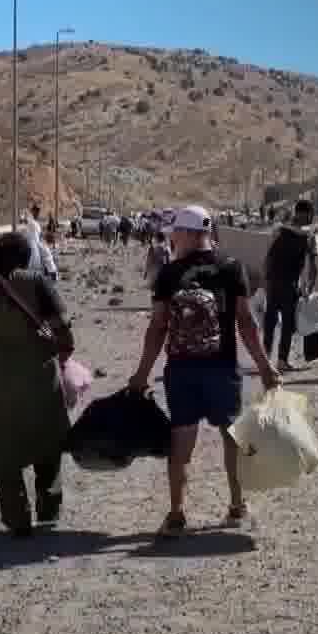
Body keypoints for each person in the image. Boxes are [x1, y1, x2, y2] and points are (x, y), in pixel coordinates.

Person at [129, 204, 279, 537]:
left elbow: (157, 327)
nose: (174, 240)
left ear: (189, 234)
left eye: (176, 234)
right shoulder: (231, 268)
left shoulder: (169, 274)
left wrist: (141, 374)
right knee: (231, 438)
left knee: (181, 441)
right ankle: (237, 507)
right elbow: (246, 323)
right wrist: (265, 366)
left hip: (181, 370)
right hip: (222, 368)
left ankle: (177, 514)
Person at [0, 232, 74, 536]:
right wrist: (65, 356)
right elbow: (62, 328)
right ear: (26, 257)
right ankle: (48, 508)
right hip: (38, 376)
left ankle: (16, 518)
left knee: (3, 449)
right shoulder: (37, 282)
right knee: (47, 441)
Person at [263, 199, 318, 373]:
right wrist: (309, 287)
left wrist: (266, 281)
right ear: (309, 214)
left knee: (270, 322)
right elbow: (313, 265)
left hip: (273, 282)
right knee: (288, 324)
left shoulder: (278, 229)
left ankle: (265, 359)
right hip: (291, 284)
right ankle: (281, 360)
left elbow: (268, 258)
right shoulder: (311, 235)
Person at [22, 203, 58, 279]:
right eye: (36, 211)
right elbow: (44, 250)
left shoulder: (31, 223)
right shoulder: (33, 224)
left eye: (38, 211)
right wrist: (52, 269)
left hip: (27, 264)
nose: (37, 213)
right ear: (33, 211)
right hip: (34, 263)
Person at [144, 231, 170, 295]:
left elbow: (148, 260)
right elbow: (168, 262)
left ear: (156, 238)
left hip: (152, 270)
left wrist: (146, 272)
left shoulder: (152, 248)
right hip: (161, 270)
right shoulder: (166, 248)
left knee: (153, 289)